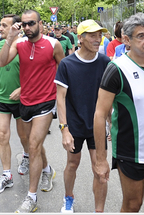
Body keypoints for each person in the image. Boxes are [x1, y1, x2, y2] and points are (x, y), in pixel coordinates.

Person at [94, 12, 144, 212]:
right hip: (130, 152)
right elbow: (99, 114)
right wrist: (101, 159)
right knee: (132, 205)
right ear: (127, 40)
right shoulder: (116, 68)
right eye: (142, 36)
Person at [0, 9, 65, 213]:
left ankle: (31, 197)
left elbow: (64, 71)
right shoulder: (18, 44)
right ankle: (47, 169)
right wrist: (10, 37)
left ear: (40, 24)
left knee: (34, 146)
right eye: (24, 24)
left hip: (45, 102)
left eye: (31, 23)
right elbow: (1, 62)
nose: (27, 27)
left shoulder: (54, 45)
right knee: (30, 143)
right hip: (25, 103)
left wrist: (62, 99)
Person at [54, 19, 110, 213]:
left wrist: (111, 124)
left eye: (100, 35)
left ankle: (99, 210)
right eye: (93, 35)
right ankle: (68, 197)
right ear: (80, 38)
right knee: (72, 164)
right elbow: (60, 98)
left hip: (97, 125)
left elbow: (110, 97)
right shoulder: (67, 64)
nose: (98, 39)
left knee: (100, 169)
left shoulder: (105, 62)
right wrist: (64, 129)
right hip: (75, 125)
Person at [0, 14, 30, 194]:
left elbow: (34, 75)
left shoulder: (25, 47)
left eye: (5, 25)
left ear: (16, 27)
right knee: (3, 135)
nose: (0, 28)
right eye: (0, 25)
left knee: (24, 136)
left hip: (22, 100)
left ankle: (27, 157)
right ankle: (7, 175)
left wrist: (22, 89)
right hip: (2, 100)